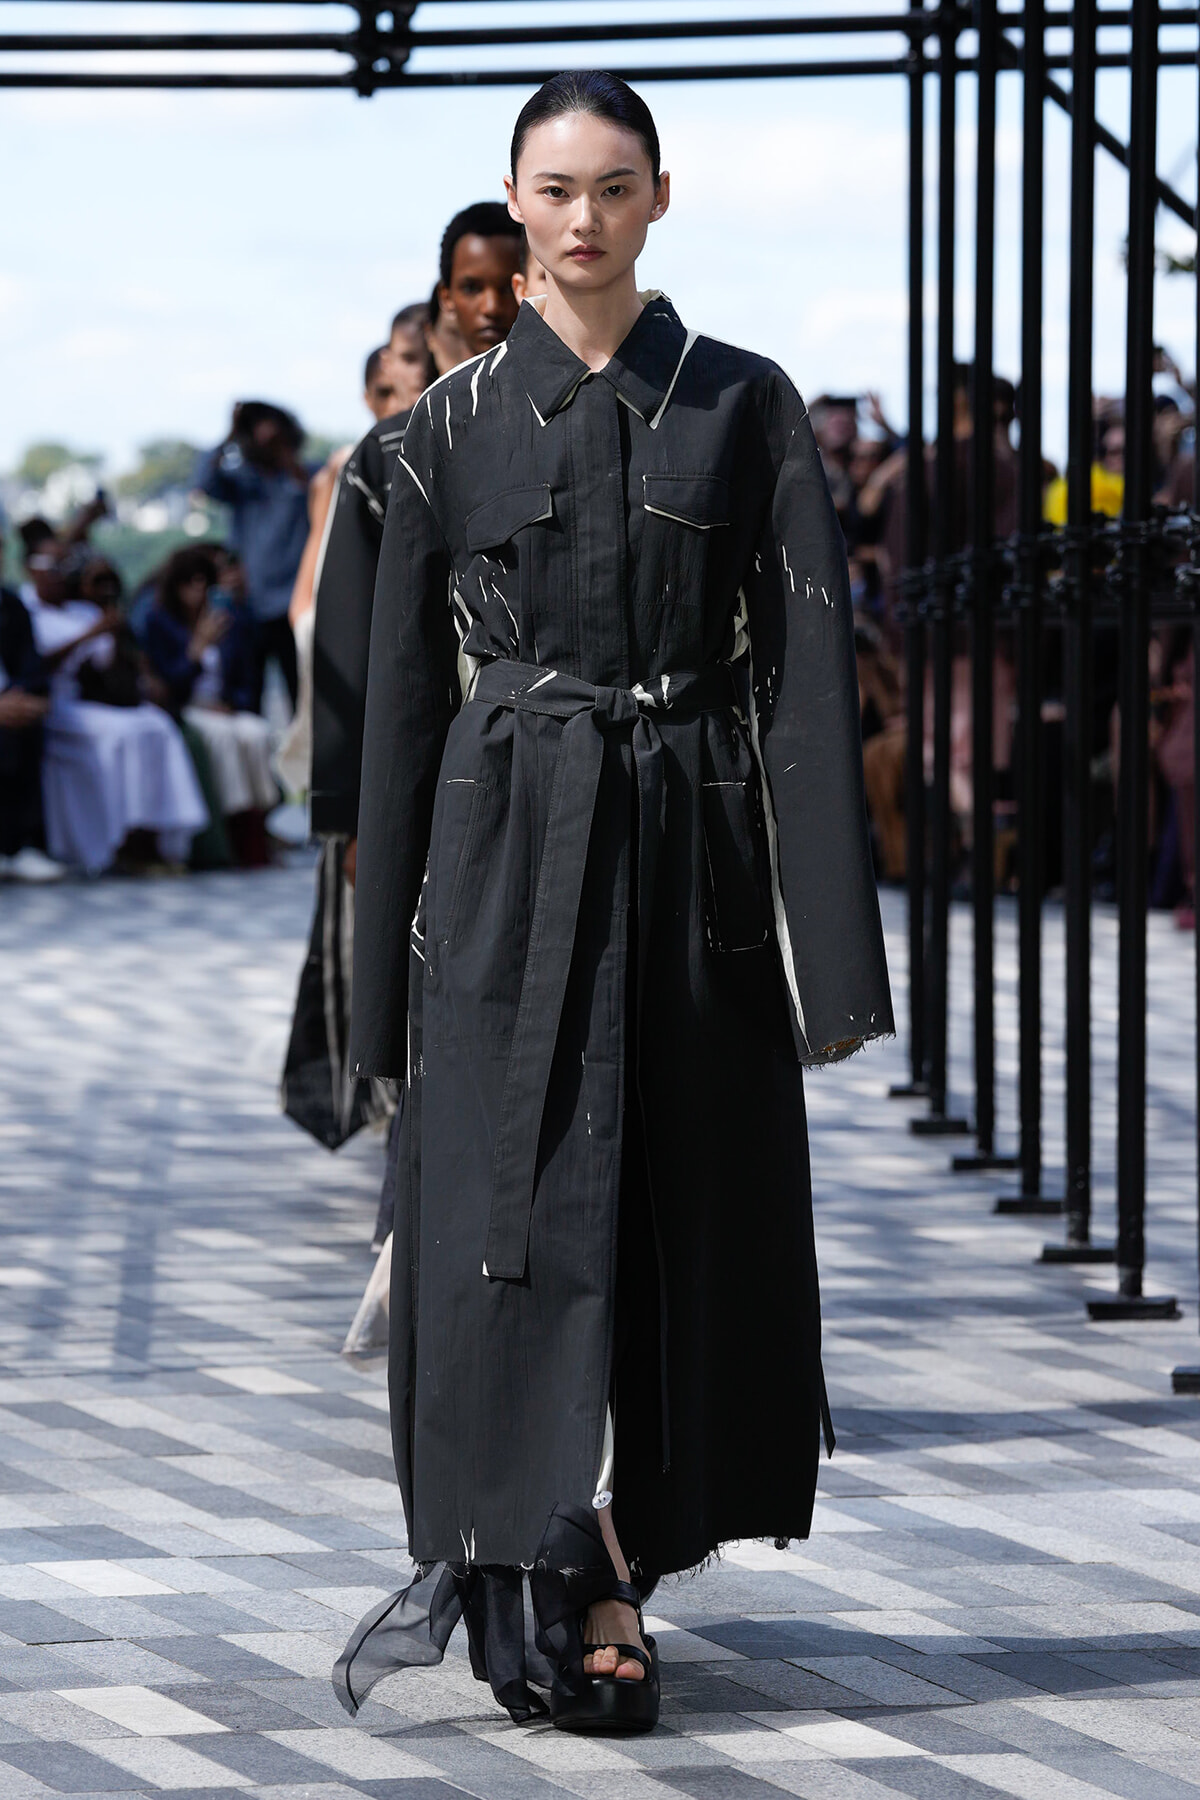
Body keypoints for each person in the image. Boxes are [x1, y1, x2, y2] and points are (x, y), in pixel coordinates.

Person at [334, 73, 892, 1735]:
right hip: (503, 854)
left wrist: (830, 961)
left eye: (615, 185)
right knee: (506, 1212)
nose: (583, 219)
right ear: (514, 199)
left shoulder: (744, 404)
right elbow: (393, 718)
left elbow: (806, 685)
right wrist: (377, 985)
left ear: (660, 197)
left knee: (680, 1205)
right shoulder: (437, 432)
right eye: (556, 188)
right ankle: (539, 1553)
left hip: (686, 848)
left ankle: (618, 1552)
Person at [20, 534, 207, 874]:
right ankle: (124, 842)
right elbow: (34, 667)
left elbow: (110, 670)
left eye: (65, 565)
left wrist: (115, 631)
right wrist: (90, 635)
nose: (59, 572)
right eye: (50, 565)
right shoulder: (23, 610)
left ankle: (158, 838)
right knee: (123, 734)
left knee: (157, 724)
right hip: (59, 704)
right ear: (29, 569)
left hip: (97, 702)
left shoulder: (83, 610)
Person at [144, 546, 277, 865]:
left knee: (257, 732)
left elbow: (246, 677)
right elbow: (170, 683)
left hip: (223, 707)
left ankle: (259, 816)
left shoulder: (229, 620)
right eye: (190, 581)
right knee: (223, 737)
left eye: (203, 580)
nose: (198, 588)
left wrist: (232, 704)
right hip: (187, 706)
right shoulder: (160, 622)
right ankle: (232, 821)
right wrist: (198, 648)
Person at [195, 401, 311, 713]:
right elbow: (203, 482)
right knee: (247, 701)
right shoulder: (242, 482)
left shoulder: (306, 475)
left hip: (294, 605)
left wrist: (282, 450)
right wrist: (232, 433)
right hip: (249, 607)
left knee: (303, 698)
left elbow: (310, 490)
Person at [0, 517, 62, 882]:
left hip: (13, 704)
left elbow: (30, 664)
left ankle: (24, 846)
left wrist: (28, 697)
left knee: (26, 729)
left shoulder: (11, 605)